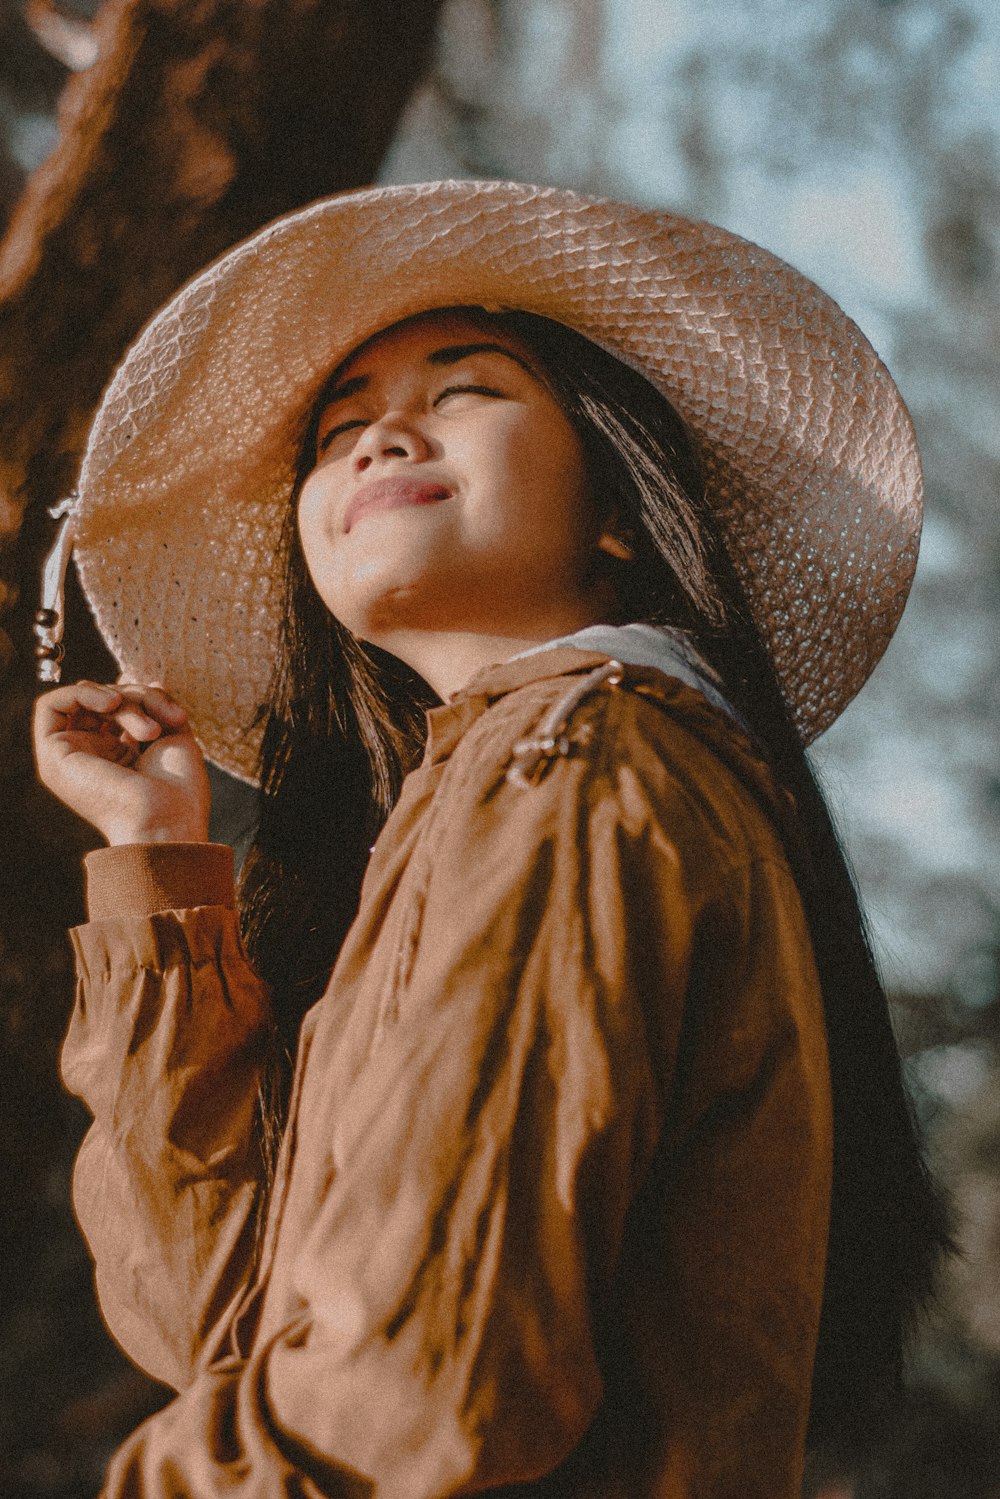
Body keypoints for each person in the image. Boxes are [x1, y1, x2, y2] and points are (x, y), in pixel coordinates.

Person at [31, 181, 947, 1499]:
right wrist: (161, 863)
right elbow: (222, 1330)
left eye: (463, 390)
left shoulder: (578, 761)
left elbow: (417, 1394)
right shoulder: (486, 800)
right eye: (337, 428)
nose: (380, 432)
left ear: (617, 508)